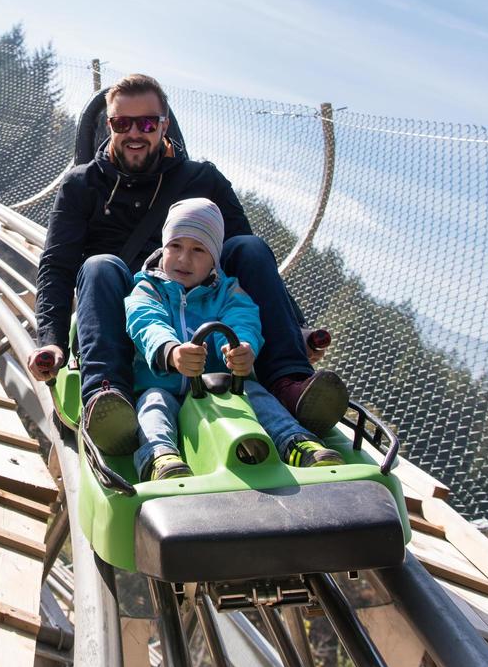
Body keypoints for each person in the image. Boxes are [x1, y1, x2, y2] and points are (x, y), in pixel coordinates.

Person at [28, 73, 348, 455]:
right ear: (108, 126)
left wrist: (296, 327)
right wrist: (50, 340)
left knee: (247, 244)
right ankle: (108, 398)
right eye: (121, 123)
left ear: (164, 125)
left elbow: (250, 260)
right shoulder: (82, 184)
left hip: (199, 302)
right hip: (123, 305)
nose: (135, 133)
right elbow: (58, 266)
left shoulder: (201, 178)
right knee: (99, 264)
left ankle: (289, 382)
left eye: (147, 123)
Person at [126, 199, 344, 480]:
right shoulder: (148, 287)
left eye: (198, 250)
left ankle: (295, 441)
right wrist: (171, 351)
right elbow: (146, 322)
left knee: (255, 395)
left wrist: (240, 347)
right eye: (175, 246)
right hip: (162, 383)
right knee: (153, 404)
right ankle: (159, 456)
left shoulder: (228, 291)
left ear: (214, 258)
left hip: (220, 387)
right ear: (163, 247)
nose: (183, 259)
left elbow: (243, 318)